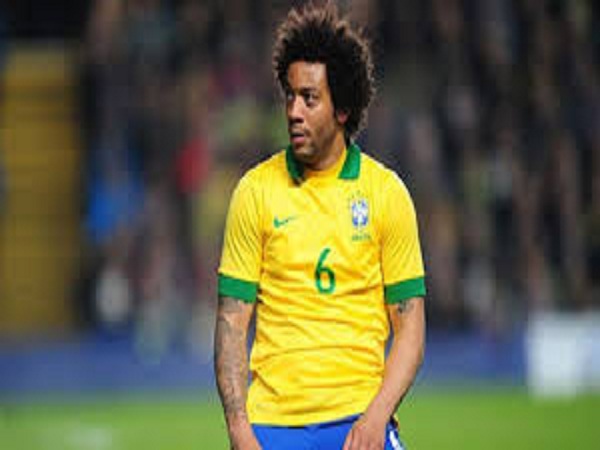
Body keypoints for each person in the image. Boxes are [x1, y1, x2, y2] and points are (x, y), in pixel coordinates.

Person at [214, 3, 426, 449]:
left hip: (359, 420)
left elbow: (410, 331)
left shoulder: (386, 194)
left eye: (309, 99)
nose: (294, 111)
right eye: (290, 96)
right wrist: (239, 431)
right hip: (273, 426)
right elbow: (232, 322)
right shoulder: (254, 192)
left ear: (342, 108)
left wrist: (377, 417)